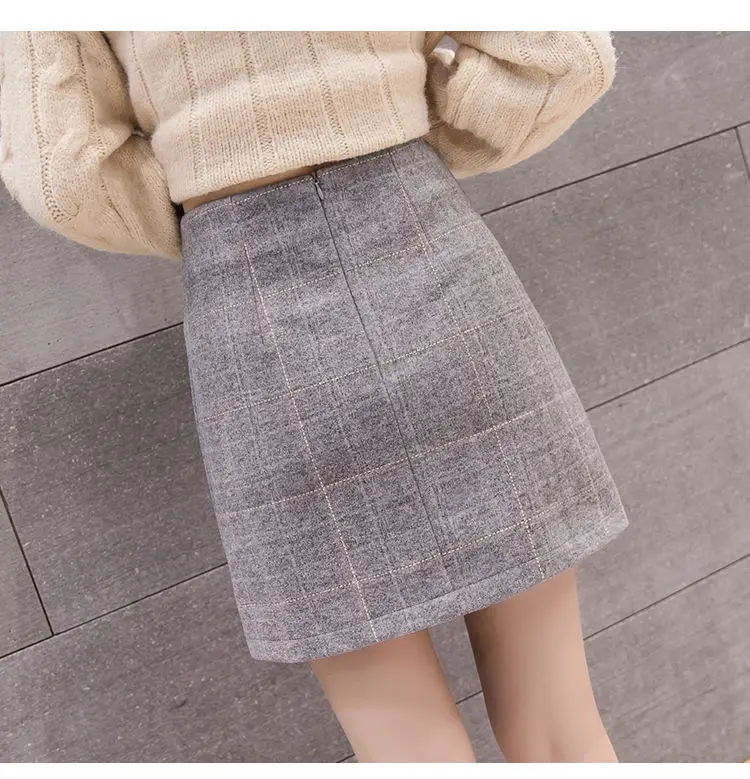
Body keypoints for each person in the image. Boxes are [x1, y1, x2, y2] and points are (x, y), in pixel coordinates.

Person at [0, 31, 629, 763]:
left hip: (252, 312)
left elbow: (66, 177)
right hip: (428, 249)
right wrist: (393, 117)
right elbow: (564, 59)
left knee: (409, 754)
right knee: (557, 730)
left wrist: (208, 190)